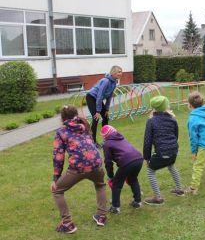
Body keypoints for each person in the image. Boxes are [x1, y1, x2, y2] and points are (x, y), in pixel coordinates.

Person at [51, 105, 107, 234]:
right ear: (76, 114)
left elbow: (58, 156)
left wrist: (56, 178)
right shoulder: (84, 125)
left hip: (78, 168)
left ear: (62, 117)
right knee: (100, 185)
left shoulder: (61, 132)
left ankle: (67, 223)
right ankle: (101, 216)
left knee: (57, 190)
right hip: (97, 164)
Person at [143, 96, 184, 205]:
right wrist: (173, 146)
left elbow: (147, 141)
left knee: (150, 171)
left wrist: (146, 158)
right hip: (173, 150)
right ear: (166, 106)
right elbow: (176, 135)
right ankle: (179, 189)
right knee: (171, 166)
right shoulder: (172, 119)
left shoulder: (151, 121)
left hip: (162, 152)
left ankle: (158, 198)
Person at [100, 125, 143, 213]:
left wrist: (110, 176)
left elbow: (108, 162)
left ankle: (115, 207)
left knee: (116, 184)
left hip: (127, 162)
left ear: (105, 136)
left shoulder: (107, 144)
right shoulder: (121, 137)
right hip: (138, 159)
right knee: (133, 180)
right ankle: (137, 202)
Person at [86, 65, 123, 147]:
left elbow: (109, 96)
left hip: (98, 99)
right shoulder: (105, 81)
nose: (121, 73)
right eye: (119, 72)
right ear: (113, 72)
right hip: (92, 97)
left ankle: (106, 140)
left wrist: (106, 109)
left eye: (121, 72)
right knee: (96, 118)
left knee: (106, 117)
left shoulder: (114, 82)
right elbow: (99, 95)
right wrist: (98, 111)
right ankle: (93, 142)